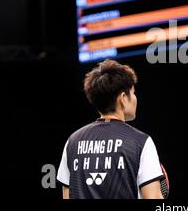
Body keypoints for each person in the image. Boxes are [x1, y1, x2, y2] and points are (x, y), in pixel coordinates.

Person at [57, 59, 164, 199]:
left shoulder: (72, 142)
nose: (135, 98)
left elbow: (67, 195)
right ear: (123, 98)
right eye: (133, 92)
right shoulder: (141, 142)